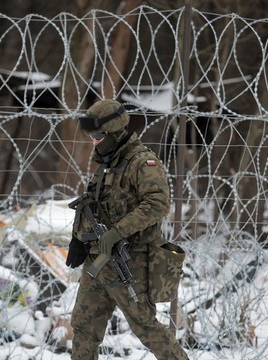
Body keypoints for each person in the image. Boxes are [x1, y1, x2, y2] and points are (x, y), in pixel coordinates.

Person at [65, 99, 189, 359]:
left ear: (115, 132)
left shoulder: (142, 163)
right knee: (84, 326)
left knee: (145, 326)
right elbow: (92, 207)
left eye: (98, 136)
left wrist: (118, 232)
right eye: (91, 137)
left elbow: (157, 204)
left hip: (129, 260)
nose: (94, 142)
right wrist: (78, 240)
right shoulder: (107, 165)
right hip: (98, 260)